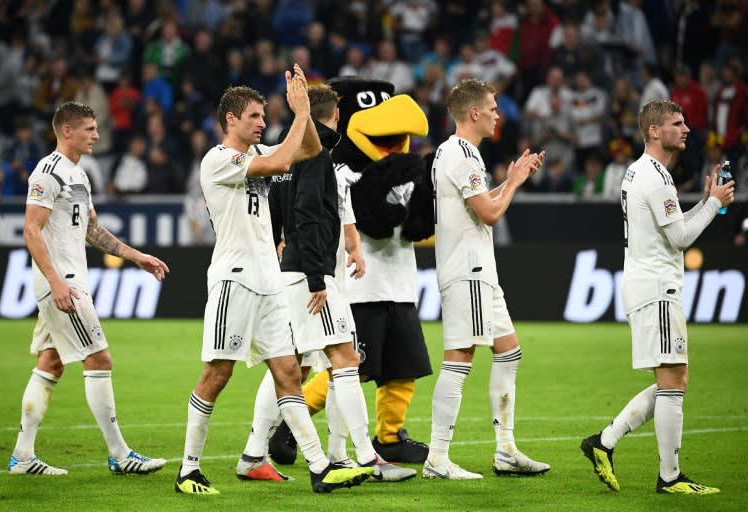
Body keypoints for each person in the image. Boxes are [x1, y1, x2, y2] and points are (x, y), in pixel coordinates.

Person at [174, 64, 374, 495]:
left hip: (268, 282)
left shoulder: (250, 159)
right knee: (217, 374)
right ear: (231, 119)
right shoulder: (219, 159)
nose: (263, 122)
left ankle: (320, 468)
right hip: (235, 280)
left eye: (265, 116)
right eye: (254, 117)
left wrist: (305, 119)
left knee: (288, 372)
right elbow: (286, 156)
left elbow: (303, 153)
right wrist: (301, 113)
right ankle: (189, 469)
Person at [237, 83, 414, 482]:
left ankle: (255, 453)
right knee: (345, 359)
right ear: (334, 117)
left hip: (293, 271)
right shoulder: (313, 156)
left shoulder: (285, 155)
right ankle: (366, 458)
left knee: (293, 366)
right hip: (312, 275)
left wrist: (349, 247)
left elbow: (291, 214)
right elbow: (307, 217)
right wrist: (317, 276)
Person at [581, 99, 735, 495]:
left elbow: (672, 227)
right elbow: (680, 238)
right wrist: (715, 204)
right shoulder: (657, 178)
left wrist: (704, 201)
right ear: (654, 130)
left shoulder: (639, 172)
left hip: (646, 284)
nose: (686, 129)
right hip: (657, 288)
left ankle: (605, 442)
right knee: (673, 379)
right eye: (677, 123)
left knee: (674, 380)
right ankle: (669, 477)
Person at [9, 101, 170, 476]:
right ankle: (119, 454)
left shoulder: (78, 174)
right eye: (90, 129)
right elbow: (31, 231)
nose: (97, 135)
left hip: (68, 280)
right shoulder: (48, 173)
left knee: (50, 363)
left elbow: (92, 230)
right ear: (67, 131)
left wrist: (135, 256)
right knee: (99, 358)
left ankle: (22, 455)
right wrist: (55, 282)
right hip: (62, 283)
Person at [426, 78, 550, 480]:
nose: (499, 115)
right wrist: (513, 182)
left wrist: (510, 179)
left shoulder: (457, 153)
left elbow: (482, 205)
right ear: (474, 113)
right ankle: (438, 458)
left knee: (509, 352)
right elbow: (491, 214)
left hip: (478, 271)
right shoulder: (462, 154)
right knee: (460, 358)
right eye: (493, 109)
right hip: (468, 271)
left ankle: (506, 450)